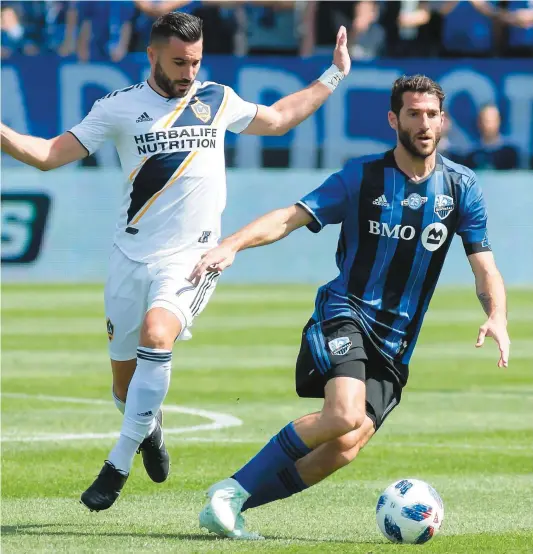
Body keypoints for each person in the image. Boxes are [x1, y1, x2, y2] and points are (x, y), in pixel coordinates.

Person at [0, 11, 350, 511]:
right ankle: (149, 426)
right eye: (179, 62)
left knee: (158, 335)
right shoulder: (118, 108)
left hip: (192, 257)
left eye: (196, 61)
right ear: (152, 55)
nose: (189, 72)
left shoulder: (217, 98)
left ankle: (116, 465)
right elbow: (48, 154)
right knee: (125, 388)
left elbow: (278, 119)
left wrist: (334, 74)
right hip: (129, 256)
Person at [190, 74, 510, 540]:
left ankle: (233, 500)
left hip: (396, 345)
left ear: (443, 121)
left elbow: (485, 267)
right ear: (394, 119)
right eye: (414, 114)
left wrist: (497, 314)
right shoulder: (362, 176)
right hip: (346, 312)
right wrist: (233, 244)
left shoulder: (461, 188)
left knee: (345, 444)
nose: (424, 124)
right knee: (343, 413)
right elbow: (291, 216)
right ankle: (230, 492)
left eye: (432, 115)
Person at [464, 103, 520, 170]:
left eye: (492, 120)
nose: (488, 125)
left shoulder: (511, 153)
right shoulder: (471, 154)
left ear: (499, 121)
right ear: (478, 122)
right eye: (485, 120)